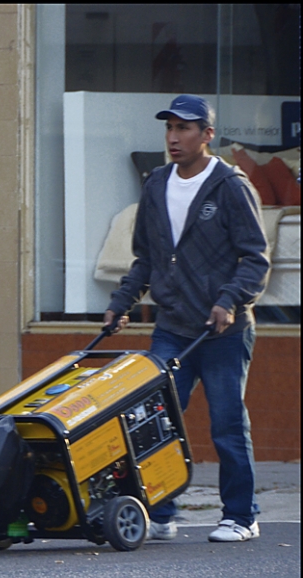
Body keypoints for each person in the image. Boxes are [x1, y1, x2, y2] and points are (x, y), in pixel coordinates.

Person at [103, 94, 270, 543]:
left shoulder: (231, 186)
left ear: (207, 135)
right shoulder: (157, 184)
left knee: (227, 424)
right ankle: (159, 511)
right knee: (153, 420)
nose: (174, 137)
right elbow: (146, 259)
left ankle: (241, 515)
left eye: (185, 129)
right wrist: (121, 303)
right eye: (169, 128)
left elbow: (255, 259)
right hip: (173, 328)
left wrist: (230, 300)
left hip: (223, 330)